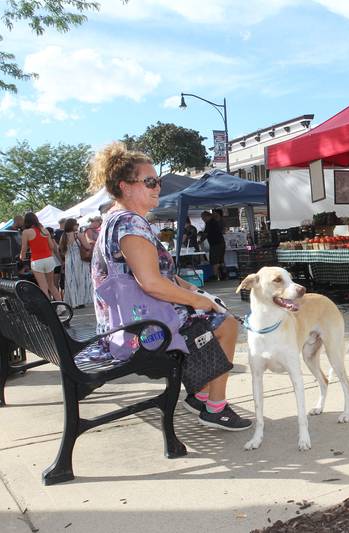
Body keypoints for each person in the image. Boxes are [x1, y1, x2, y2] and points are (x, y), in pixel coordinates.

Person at [88, 142, 250, 431]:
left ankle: (201, 395)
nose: (157, 187)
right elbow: (150, 282)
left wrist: (193, 291)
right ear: (125, 186)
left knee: (211, 317)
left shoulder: (115, 220)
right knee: (225, 325)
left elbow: (155, 274)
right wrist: (199, 302)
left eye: (158, 181)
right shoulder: (131, 225)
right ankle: (214, 407)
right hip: (141, 329)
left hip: (124, 322)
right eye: (149, 181)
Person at [19, 212, 63, 301]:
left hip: (37, 261)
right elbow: (51, 246)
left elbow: (24, 249)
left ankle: (49, 310)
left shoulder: (26, 232)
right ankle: (62, 307)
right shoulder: (44, 230)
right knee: (52, 285)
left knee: (43, 287)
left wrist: (21, 257)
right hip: (49, 259)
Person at [59, 218, 93, 308]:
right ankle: (81, 301)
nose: (77, 225)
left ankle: (74, 302)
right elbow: (87, 247)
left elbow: (61, 250)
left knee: (71, 281)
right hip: (79, 260)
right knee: (81, 280)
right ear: (72, 225)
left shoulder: (63, 236)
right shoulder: (78, 234)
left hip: (68, 261)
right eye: (76, 224)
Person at [201, 211, 226, 281]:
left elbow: (205, 234)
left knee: (215, 261)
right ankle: (224, 275)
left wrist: (200, 241)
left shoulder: (209, 223)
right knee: (221, 260)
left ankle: (215, 276)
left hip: (215, 244)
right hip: (221, 243)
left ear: (207, 216)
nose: (203, 219)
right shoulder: (215, 221)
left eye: (203, 217)